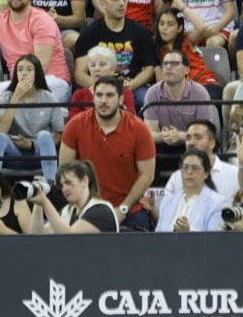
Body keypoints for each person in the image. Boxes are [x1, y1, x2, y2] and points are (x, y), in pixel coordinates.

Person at [59, 75, 158, 229]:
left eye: (110, 95)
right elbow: (65, 170)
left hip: (128, 209)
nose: (103, 101)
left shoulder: (139, 129)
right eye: (99, 95)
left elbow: (147, 175)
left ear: (121, 99)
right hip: (87, 207)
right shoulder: (75, 125)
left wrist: (123, 209)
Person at [31, 158, 121, 233]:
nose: (64, 189)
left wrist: (44, 202)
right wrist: (38, 204)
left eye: (68, 182)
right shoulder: (67, 211)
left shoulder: (101, 210)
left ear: (85, 181)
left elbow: (71, 238)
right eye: (61, 185)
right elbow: (38, 236)